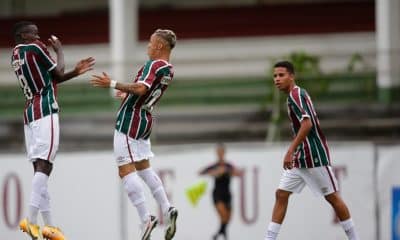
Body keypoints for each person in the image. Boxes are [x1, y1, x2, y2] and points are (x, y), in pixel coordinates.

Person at [90, 29, 178, 240]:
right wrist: (126, 93)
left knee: (125, 170)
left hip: (131, 119)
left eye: (150, 43)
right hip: (145, 118)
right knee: (143, 167)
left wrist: (112, 84)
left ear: (159, 46)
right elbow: (147, 91)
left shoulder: (154, 64)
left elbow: (140, 88)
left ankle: (146, 218)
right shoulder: (169, 69)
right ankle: (167, 209)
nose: (148, 46)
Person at [11, 21, 95, 240]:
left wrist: (76, 72)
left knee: (40, 169)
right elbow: (58, 71)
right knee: (46, 165)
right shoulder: (36, 48)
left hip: (29, 112)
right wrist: (59, 50)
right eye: (34, 33)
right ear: (23, 35)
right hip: (45, 109)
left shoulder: (15, 54)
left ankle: (49, 226)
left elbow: (52, 78)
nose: (39, 37)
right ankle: (30, 221)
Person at [263, 61, 359, 240]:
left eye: (281, 75)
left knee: (332, 198)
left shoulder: (296, 94)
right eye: (275, 76)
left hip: (314, 156)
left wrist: (290, 150)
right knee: (281, 194)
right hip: (301, 158)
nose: (277, 79)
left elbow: (307, 124)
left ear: (292, 76)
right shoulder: (294, 95)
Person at [199, 143, 243, 240]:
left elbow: (238, 173)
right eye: (218, 152)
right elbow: (202, 172)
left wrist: (228, 171)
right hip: (217, 194)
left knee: (227, 218)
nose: (220, 154)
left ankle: (219, 234)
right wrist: (214, 172)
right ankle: (220, 235)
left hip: (227, 194)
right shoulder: (214, 166)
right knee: (223, 215)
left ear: (224, 153)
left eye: (221, 152)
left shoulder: (228, 166)